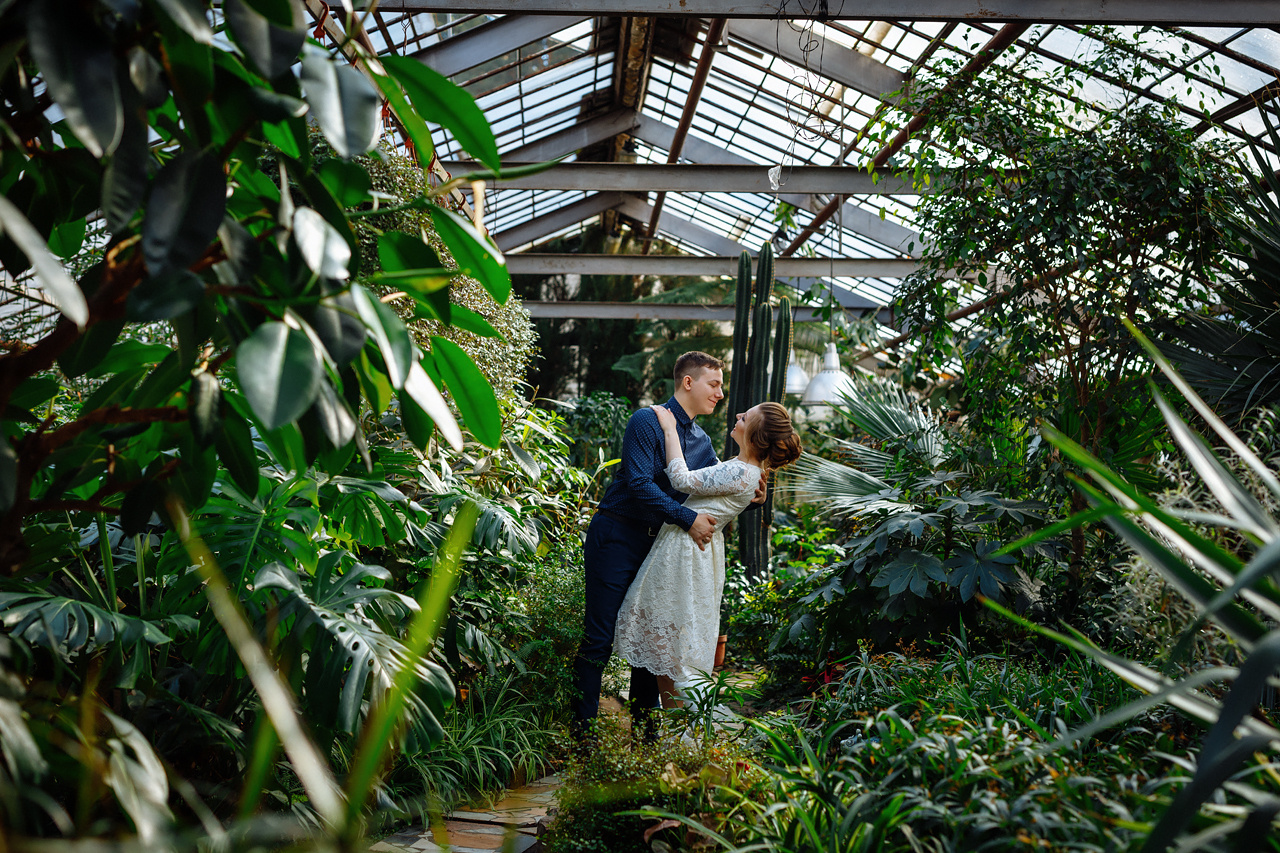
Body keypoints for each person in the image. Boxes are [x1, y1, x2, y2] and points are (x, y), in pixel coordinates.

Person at [571, 352, 747, 745]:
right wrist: (686, 519)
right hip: (617, 536)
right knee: (598, 640)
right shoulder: (647, 421)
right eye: (714, 384)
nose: (720, 393)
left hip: (658, 549)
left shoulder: (702, 442)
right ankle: (581, 741)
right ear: (688, 382)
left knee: (652, 643)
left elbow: (713, 483)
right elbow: (639, 483)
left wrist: (754, 495)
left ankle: (645, 744)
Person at [614, 401, 802, 708]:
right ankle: (677, 737)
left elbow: (682, 480)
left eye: (746, 417)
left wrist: (669, 429)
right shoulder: (748, 472)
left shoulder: (740, 470)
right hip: (698, 552)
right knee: (668, 652)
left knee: (668, 652)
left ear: (754, 436)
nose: (738, 416)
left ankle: (681, 736)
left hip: (684, 552)